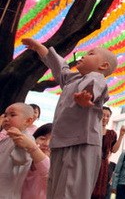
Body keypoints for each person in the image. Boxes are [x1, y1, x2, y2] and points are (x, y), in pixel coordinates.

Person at [22, 38, 117, 199]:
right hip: (61, 143)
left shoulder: (96, 77)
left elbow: (94, 87)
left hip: (81, 144)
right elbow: (60, 66)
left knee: (71, 192)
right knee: (55, 190)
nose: (83, 56)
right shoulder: (72, 80)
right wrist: (40, 48)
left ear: (103, 66)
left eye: (90, 54)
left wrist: (87, 97)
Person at [0, 103, 35, 198]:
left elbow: (21, 159)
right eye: (5, 115)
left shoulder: (27, 139)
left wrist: (19, 144)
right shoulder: (6, 138)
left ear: (28, 121)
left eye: (12, 115)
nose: (6, 118)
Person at [92, 106, 125, 199]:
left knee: (99, 192)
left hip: (103, 166)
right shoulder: (92, 130)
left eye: (108, 116)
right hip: (90, 162)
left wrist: (121, 135)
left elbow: (114, 150)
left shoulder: (111, 133)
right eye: (103, 115)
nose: (105, 118)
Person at [17, 123, 53, 199]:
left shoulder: (55, 169)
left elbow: (46, 172)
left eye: (52, 141)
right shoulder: (22, 162)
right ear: (33, 139)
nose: (47, 144)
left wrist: (32, 147)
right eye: (42, 138)